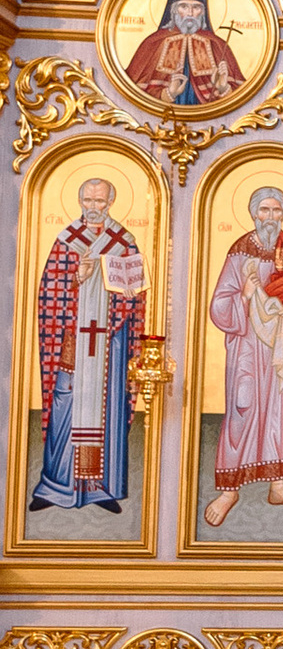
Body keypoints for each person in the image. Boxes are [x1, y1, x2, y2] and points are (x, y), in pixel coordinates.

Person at [201, 182, 283, 529]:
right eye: (264, 210)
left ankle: (277, 485)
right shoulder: (239, 250)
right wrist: (246, 296)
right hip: (247, 344)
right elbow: (220, 304)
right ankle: (228, 489)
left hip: (280, 344)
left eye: (276, 210)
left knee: (278, 411)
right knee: (243, 406)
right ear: (253, 213)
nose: (270, 217)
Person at [29, 176, 147, 516]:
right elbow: (49, 292)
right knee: (66, 402)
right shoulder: (66, 240)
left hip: (110, 342)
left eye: (100, 202)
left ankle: (101, 488)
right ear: (81, 201)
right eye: (88, 201)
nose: (94, 208)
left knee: (107, 408)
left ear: (110, 203)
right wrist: (75, 279)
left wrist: (129, 295)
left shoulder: (124, 241)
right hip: (72, 339)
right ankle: (55, 485)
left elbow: (135, 291)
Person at [123, 0, 247, 110]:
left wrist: (224, 88)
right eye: (184, 6)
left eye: (196, 7)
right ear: (174, 10)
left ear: (203, 12)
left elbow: (242, 94)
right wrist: (168, 94)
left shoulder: (217, 45)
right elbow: (131, 91)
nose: (190, 13)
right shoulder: (153, 43)